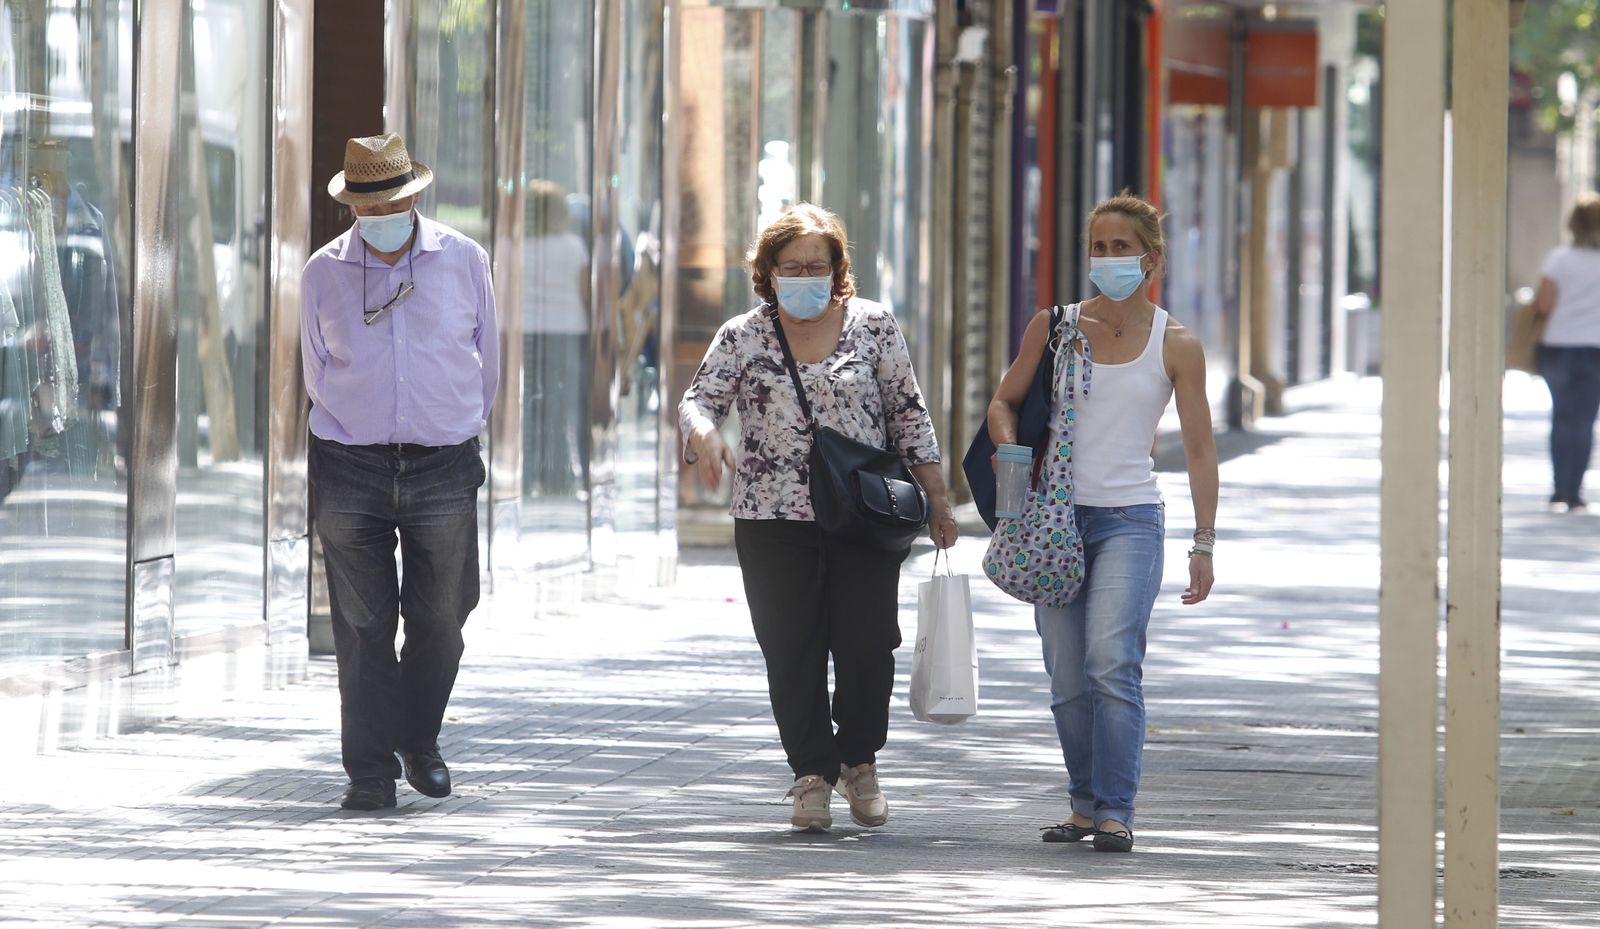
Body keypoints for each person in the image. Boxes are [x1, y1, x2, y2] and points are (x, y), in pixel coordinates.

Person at [678, 203, 957, 833]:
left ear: (838, 270)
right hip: (771, 516)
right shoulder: (742, 334)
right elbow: (699, 400)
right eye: (791, 266)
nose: (805, 275)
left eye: (817, 265)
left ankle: (858, 759)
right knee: (790, 649)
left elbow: (909, 413)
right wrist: (705, 438)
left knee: (867, 648)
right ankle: (810, 774)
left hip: (862, 515)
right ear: (769, 272)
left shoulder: (875, 326)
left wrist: (937, 499)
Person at [986, 192, 1217, 852]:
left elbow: (1200, 448)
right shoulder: (1054, 327)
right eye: (1099, 247)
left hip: (1130, 520)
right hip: (1055, 518)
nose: (1109, 258)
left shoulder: (1177, 344)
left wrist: (1203, 541)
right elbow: (1004, 403)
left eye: (1122, 247)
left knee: (1111, 660)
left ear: (1152, 258)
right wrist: (1011, 459)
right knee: (1065, 674)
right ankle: (1083, 803)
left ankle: (1116, 808)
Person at [301, 132, 499, 811]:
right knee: (361, 625)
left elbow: (488, 363)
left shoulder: (465, 260)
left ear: (414, 195)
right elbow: (316, 369)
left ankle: (419, 738)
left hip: (443, 463)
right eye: (367, 202)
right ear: (352, 205)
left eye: (391, 198)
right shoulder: (322, 272)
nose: (380, 211)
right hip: (349, 462)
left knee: (442, 614)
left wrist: (452, 425)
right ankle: (369, 771)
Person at [1532, 193, 1600, 514]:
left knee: (1561, 416)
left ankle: (1559, 489)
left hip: (1558, 345)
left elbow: (1543, 304)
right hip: (1596, 348)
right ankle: (1575, 492)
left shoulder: (1559, 259)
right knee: (1584, 420)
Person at [521, 179, 589, 496]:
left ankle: (528, 474)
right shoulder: (574, 246)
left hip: (528, 330)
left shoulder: (516, 245)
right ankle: (560, 476)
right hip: (569, 330)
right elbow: (586, 293)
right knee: (564, 406)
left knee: (532, 404)